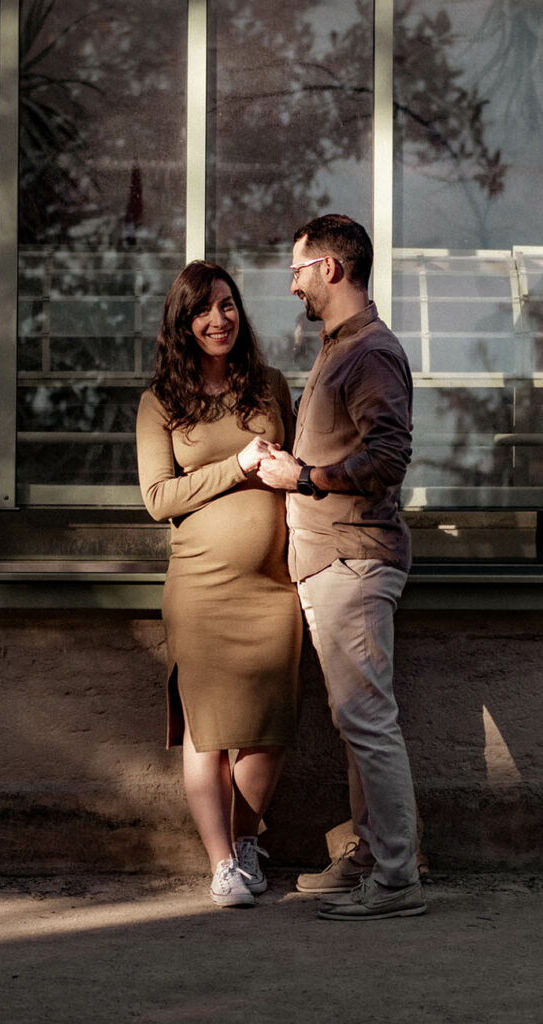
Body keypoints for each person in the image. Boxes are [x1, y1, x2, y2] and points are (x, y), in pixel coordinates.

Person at [257, 214, 426, 920]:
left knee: (367, 720)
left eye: (297, 269)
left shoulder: (369, 354)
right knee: (357, 719)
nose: (291, 282)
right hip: (333, 560)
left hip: (353, 560)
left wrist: (301, 477)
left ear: (330, 268)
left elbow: (386, 462)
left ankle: (394, 880)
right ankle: (368, 856)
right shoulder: (339, 350)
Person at [136, 261, 302, 908]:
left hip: (272, 586)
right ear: (182, 322)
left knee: (267, 728)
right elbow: (158, 498)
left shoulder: (269, 387)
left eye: (227, 304)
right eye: (203, 309)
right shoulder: (160, 403)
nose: (218, 319)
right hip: (200, 587)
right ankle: (222, 864)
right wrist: (237, 465)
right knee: (208, 733)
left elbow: (296, 468)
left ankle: (243, 838)